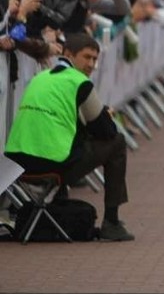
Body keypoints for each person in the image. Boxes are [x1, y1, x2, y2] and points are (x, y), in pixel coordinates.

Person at [4, 32, 135, 241]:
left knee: (71, 139)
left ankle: (57, 207)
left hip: (14, 167)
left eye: (95, 59)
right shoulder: (79, 82)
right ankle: (112, 221)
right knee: (117, 142)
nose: (91, 64)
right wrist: (104, 115)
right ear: (68, 54)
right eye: (87, 57)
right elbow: (106, 132)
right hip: (52, 166)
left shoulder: (40, 77)